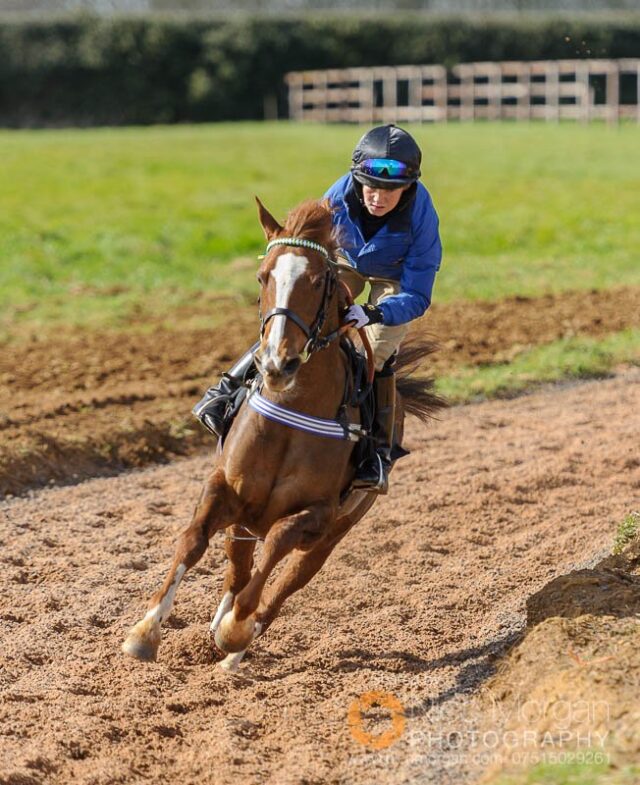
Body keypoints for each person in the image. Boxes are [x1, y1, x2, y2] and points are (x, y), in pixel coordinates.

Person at [192, 124, 442, 494]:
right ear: (356, 179)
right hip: (345, 263)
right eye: (370, 186)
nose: (378, 197)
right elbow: (313, 251)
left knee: (379, 350)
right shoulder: (337, 196)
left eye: (391, 189)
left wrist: (376, 314)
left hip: (395, 279)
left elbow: (419, 293)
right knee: (298, 315)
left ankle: (376, 450)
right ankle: (224, 391)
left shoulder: (422, 215)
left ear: (409, 186)